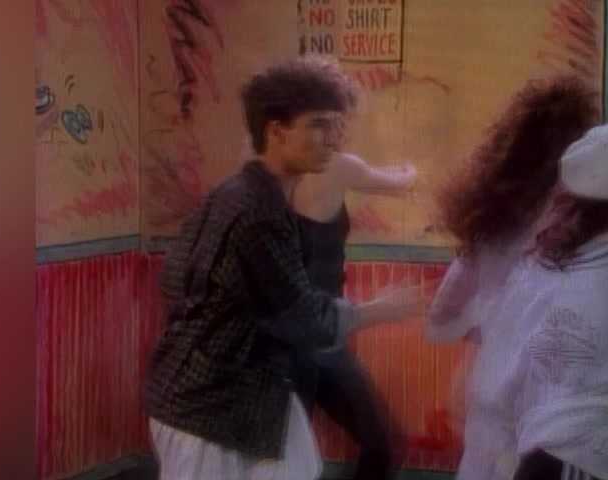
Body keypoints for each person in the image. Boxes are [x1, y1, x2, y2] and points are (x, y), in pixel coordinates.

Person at [142, 55, 425, 480]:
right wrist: (380, 309)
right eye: (318, 125)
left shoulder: (235, 194)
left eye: (335, 124)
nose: (332, 138)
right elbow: (307, 319)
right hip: (209, 411)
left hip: (228, 396)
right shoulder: (257, 212)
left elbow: (173, 281)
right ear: (276, 132)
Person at [428, 111, 608, 480]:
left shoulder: (543, 253)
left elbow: (445, 318)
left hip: (518, 438)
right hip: (584, 452)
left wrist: (501, 340)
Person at [290, 136, 417, 479]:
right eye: (331, 121)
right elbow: (401, 182)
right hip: (311, 340)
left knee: (379, 445)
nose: (339, 129)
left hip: (313, 338)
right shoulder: (339, 166)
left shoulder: (274, 170)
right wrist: (411, 167)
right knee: (381, 445)